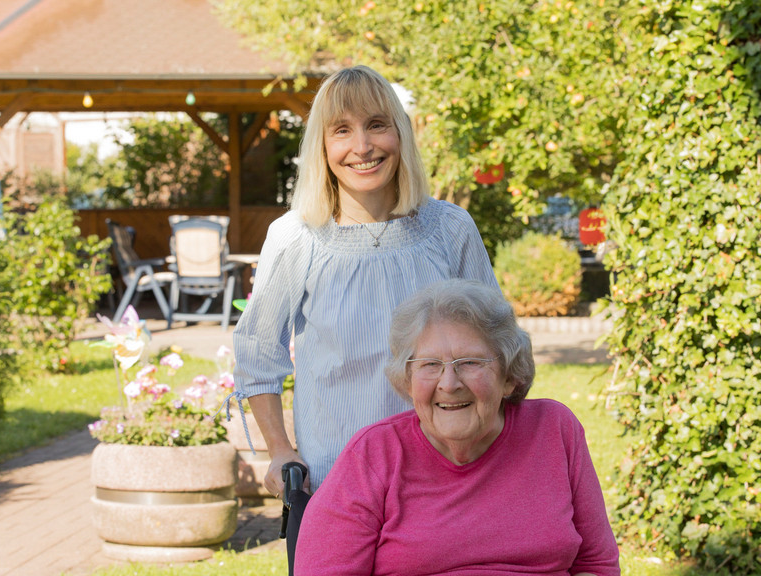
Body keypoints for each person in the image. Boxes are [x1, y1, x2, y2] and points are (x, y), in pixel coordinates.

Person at [229, 65, 498, 494]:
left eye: (376, 125)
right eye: (342, 130)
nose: (362, 146)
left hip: (448, 475)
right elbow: (258, 352)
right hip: (334, 477)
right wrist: (279, 450)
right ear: (321, 145)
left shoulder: (451, 229)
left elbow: (496, 345)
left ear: (401, 134)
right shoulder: (296, 237)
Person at [294, 279, 620, 576]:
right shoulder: (373, 456)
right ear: (407, 381)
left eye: (470, 363)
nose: (448, 384)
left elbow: (596, 564)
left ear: (508, 377)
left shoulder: (553, 429)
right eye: (430, 365)